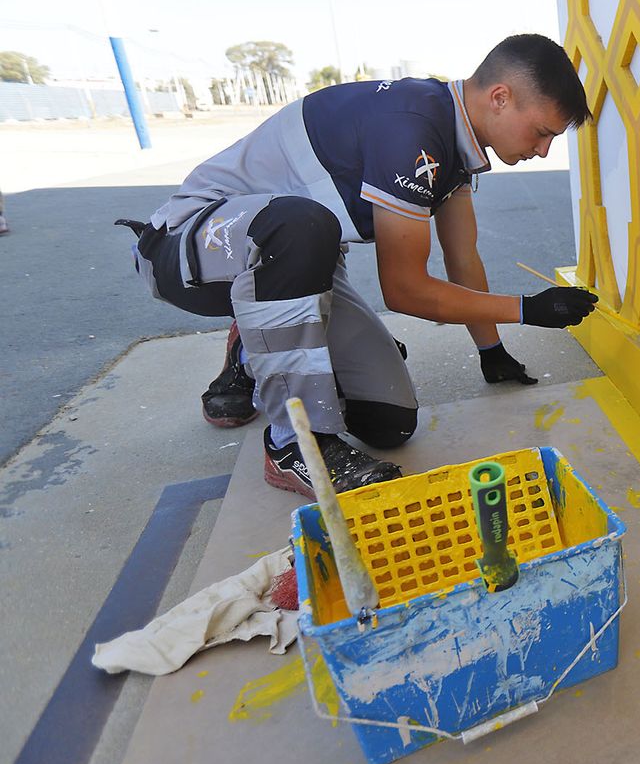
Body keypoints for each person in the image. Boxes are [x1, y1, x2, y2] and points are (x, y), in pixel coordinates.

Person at [120, 33, 598, 496]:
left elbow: (462, 257)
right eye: (542, 132)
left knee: (389, 421)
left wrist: (490, 348)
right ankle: (294, 445)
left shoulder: (453, 142)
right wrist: (528, 309)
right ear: (500, 97)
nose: (543, 151)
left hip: (292, 266)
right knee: (301, 226)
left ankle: (254, 347)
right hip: (189, 246)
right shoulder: (411, 128)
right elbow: (404, 290)